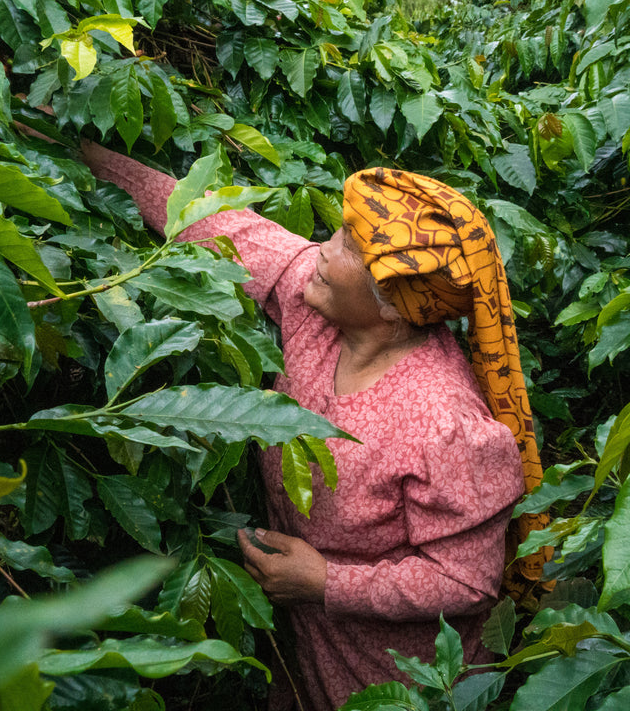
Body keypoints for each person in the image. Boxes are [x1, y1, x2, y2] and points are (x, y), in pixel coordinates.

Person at [79, 143, 547, 711]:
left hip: (397, 673)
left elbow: (466, 581)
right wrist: (89, 155)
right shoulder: (317, 304)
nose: (321, 250)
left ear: (396, 305)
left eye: (348, 244)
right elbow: (226, 227)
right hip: (299, 635)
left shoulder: (446, 426)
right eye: (339, 231)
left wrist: (326, 582)